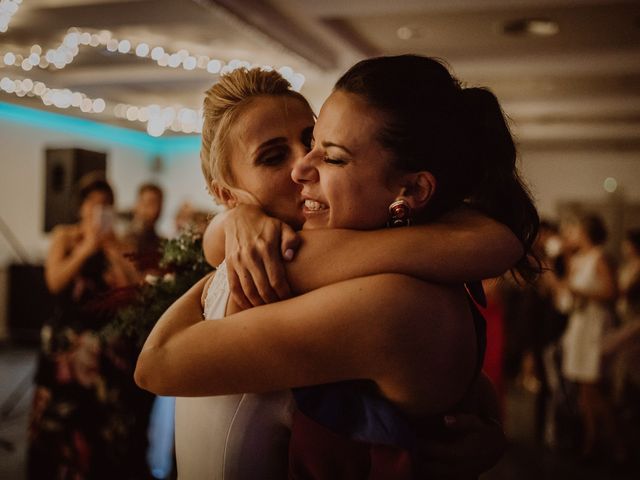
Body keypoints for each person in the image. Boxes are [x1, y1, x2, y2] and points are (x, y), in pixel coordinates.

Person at [136, 57, 538, 478]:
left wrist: (219, 260)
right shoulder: (427, 267)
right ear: (226, 192)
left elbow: (156, 364)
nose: (300, 166)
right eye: (275, 156)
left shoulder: (385, 294)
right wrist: (230, 223)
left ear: (415, 189)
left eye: (327, 152)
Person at [28, 173, 152, 479]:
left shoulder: (121, 242)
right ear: (81, 207)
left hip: (106, 341)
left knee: (107, 416)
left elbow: (134, 291)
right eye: (94, 204)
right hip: (67, 339)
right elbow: (55, 281)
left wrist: (110, 249)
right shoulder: (64, 236)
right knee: (64, 416)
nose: (100, 210)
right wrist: (87, 246)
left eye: (107, 204)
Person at [558, 213, 623, 458]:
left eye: (575, 230)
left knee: (592, 389)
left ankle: (617, 445)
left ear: (586, 233)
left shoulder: (599, 257)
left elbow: (612, 293)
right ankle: (591, 440)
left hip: (595, 325)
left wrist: (582, 292)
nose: (572, 235)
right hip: (579, 325)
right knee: (584, 392)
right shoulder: (578, 259)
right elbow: (566, 289)